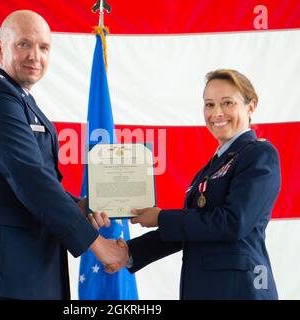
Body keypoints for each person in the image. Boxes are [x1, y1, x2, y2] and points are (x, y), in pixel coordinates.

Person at [0, 10, 127, 300]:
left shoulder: (18, 99)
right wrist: (99, 246)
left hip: (19, 273)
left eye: (44, 47)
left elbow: (37, 178)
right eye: (24, 44)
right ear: (0, 49)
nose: (35, 56)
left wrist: (78, 208)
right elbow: (30, 178)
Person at [107, 69, 281, 300]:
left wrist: (161, 217)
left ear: (251, 106)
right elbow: (193, 229)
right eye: (209, 104)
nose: (217, 113)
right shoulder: (212, 166)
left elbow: (233, 222)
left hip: (240, 290)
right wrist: (129, 252)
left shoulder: (259, 154)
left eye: (227, 102)